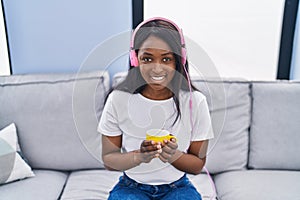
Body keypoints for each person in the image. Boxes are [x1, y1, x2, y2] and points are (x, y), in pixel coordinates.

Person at [98, 17, 214, 200]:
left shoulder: (195, 102)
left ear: (179, 60)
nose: (157, 69)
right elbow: (109, 160)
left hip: (178, 187)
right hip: (131, 187)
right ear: (135, 60)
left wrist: (173, 155)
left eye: (166, 59)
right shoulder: (118, 99)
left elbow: (197, 165)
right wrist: (139, 156)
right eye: (147, 58)